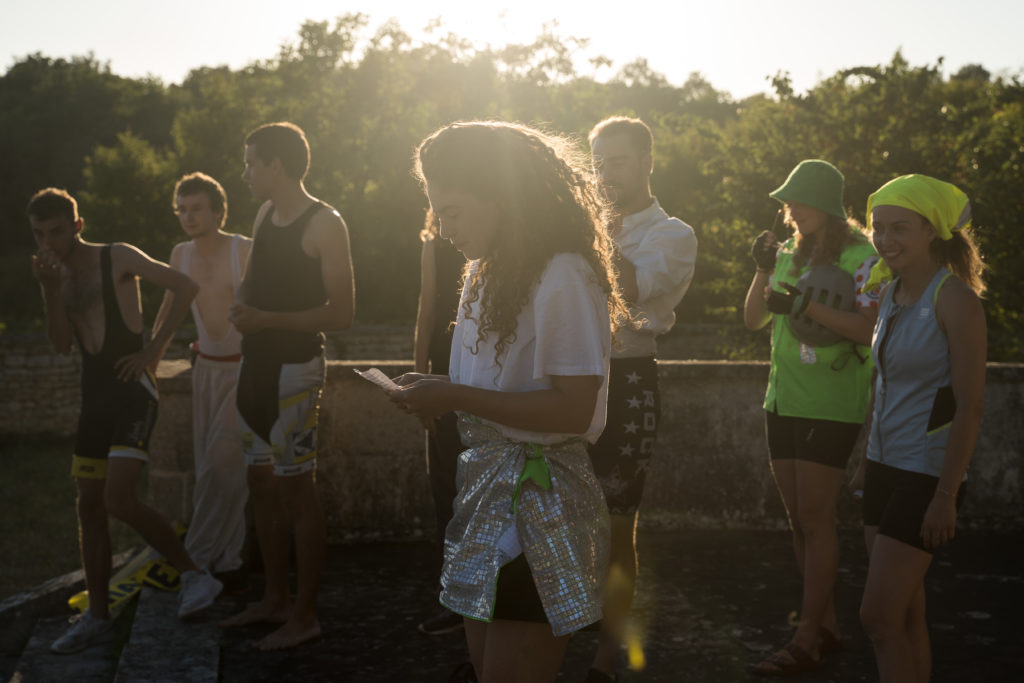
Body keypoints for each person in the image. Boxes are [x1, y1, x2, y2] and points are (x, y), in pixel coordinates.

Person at [391, 120, 628, 683]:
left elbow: (573, 410)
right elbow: (490, 388)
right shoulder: (483, 270)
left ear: (501, 199)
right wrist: (437, 394)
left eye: (453, 211)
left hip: (539, 501)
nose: (443, 230)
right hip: (484, 492)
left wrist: (454, 394)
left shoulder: (565, 273)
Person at [28, 188, 223, 654]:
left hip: (132, 392)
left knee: (118, 498)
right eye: (39, 235)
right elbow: (59, 344)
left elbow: (184, 286)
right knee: (89, 508)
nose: (49, 243)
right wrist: (49, 288)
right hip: (93, 399)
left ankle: (195, 576)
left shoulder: (116, 256)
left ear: (77, 225)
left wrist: (153, 351)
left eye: (58, 231)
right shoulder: (54, 275)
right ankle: (97, 617)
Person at [219, 122, 355, 651]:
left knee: (298, 490)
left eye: (252, 162)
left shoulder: (326, 223)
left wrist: (264, 318)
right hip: (254, 369)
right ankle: (274, 599)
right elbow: (253, 280)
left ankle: (305, 614)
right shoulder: (263, 214)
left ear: (276, 165)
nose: (246, 171)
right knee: (260, 484)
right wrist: (241, 304)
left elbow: (341, 313)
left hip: (295, 371)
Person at [742, 160, 879, 675]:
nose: (790, 210)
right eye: (787, 202)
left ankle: (806, 636)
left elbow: (868, 330)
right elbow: (754, 318)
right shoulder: (784, 253)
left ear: (825, 204)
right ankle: (828, 627)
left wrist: (804, 304)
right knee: (799, 519)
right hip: (783, 398)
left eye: (798, 201)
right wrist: (761, 270)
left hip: (832, 399)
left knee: (817, 519)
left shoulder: (862, 256)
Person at [856, 175, 986, 682]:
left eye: (900, 229)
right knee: (905, 614)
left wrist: (946, 494)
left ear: (931, 231)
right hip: (882, 467)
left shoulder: (954, 300)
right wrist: (862, 463)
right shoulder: (890, 293)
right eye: (878, 228)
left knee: (877, 616)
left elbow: (970, 406)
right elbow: (886, 387)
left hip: (925, 475)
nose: (886, 240)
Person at [584, 116, 698, 683]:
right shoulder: (585, 224)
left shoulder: (672, 233)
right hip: (573, 378)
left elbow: (629, 287)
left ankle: (609, 650)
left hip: (628, 380)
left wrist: (588, 230)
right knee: (559, 515)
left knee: (616, 521)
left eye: (618, 161)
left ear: (648, 163)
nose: (605, 173)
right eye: (598, 162)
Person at [151, 172, 253, 588]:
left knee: (221, 462)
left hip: (243, 370)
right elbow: (170, 305)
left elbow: (264, 304)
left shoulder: (242, 249)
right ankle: (226, 556)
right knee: (210, 466)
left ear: (217, 210)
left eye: (196, 208)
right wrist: (150, 355)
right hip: (204, 372)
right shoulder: (180, 254)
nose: (188, 216)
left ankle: (194, 559)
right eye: (182, 209)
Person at [413, 208, 469, 638]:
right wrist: (418, 386)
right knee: (450, 490)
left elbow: (425, 315)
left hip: (463, 370)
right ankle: (458, 598)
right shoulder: (437, 244)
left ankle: (464, 601)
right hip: (449, 368)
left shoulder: (438, 245)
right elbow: (427, 314)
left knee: (450, 491)